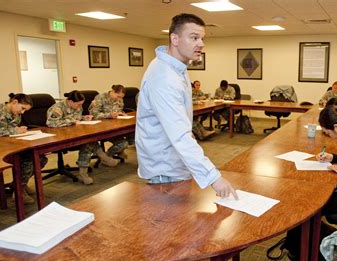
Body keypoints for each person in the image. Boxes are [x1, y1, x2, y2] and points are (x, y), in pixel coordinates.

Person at [135, 13, 237, 199]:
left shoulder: (174, 66)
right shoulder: (164, 77)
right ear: (174, 39)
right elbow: (180, 136)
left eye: (202, 38)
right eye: (194, 37)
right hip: (165, 168)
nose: (201, 43)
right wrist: (214, 178)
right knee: (168, 226)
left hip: (175, 162)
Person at [283, 101, 337, 261]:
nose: (330, 137)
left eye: (329, 134)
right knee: (303, 203)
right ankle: (296, 247)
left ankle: (303, 251)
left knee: (306, 206)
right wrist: (332, 157)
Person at [47, 90, 119, 185]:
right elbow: (51, 123)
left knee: (88, 141)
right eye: (78, 104)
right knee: (88, 142)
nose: (80, 107)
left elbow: (77, 118)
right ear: (70, 101)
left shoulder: (77, 107)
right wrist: (72, 121)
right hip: (60, 138)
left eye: (81, 104)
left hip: (75, 133)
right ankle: (102, 160)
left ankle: (85, 172)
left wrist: (84, 118)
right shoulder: (58, 108)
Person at [0, 93, 48, 204]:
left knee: (40, 159)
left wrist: (20, 129)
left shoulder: (16, 113)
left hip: (11, 145)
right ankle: (19, 191)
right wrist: (14, 131)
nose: (22, 113)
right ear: (15, 102)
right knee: (29, 160)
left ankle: (19, 184)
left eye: (25, 111)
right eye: (22, 109)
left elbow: (13, 129)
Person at [89, 84, 129, 158]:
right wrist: (109, 115)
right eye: (118, 96)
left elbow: (119, 110)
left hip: (116, 126)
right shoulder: (100, 98)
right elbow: (94, 115)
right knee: (123, 143)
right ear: (113, 91)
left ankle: (110, 154)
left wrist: (121, 114)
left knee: (128, 139)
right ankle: (106, 157)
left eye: (121, 97)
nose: (119, 99)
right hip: (102, 128)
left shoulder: (120, 99)